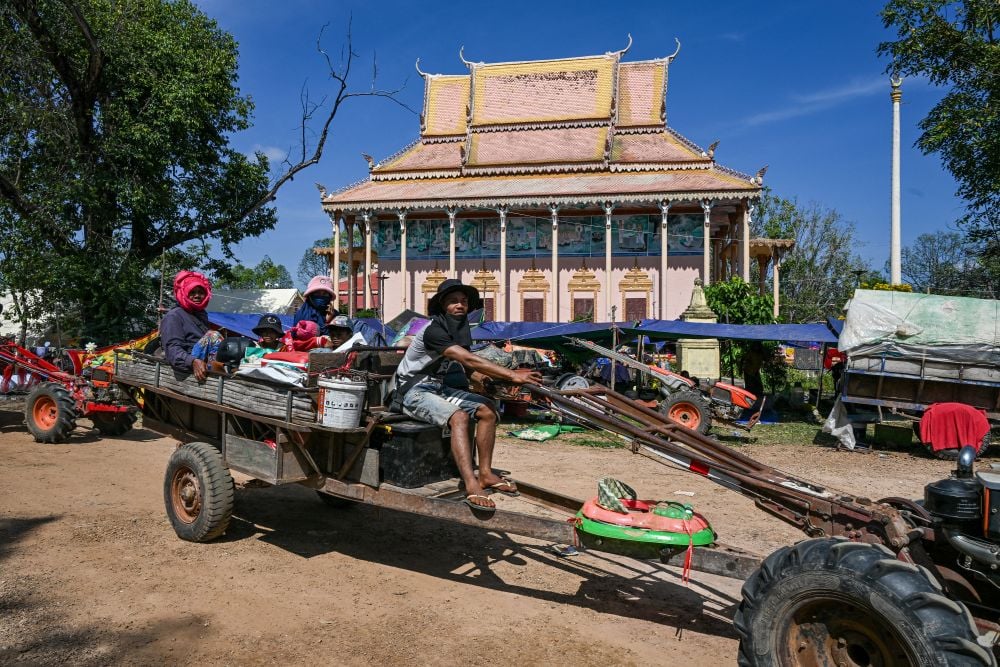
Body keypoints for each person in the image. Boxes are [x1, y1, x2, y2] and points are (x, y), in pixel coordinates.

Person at [390, 279, 543, 512]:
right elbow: (468, 359)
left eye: (463, 301)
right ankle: (471, 483)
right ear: (442, 306)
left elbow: (468, 369)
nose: (459, 305)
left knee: (488, 410)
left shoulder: (459, 331)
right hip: (412, 391)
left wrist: (485, 381)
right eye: (453, 302)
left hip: (436, 388)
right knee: (459, 417)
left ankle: (485, 474)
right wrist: (513, 375)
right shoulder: (434, 330)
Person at [160, 270, 222, 381]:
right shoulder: (174, 316)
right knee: (214, 335)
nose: (197, 296)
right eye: (192, 292)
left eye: (201, 292)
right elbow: (172, 349)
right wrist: (192, 361)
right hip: (187, 365)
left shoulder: (202, 314)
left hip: (202, 361)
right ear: (184, 293)